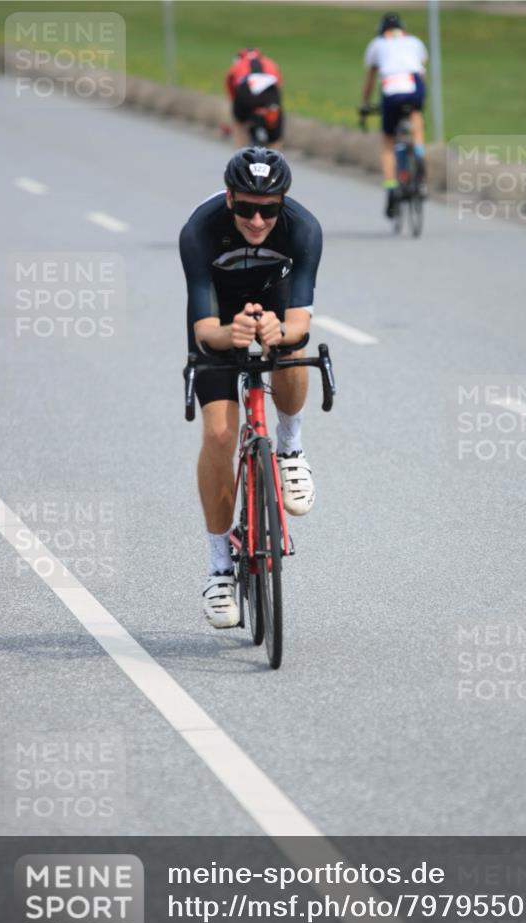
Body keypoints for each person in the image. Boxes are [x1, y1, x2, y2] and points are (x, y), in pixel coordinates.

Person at [179, 148, 322, 629]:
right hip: (220, 318)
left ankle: (290, 450)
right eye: (245, 208)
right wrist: (230, 333)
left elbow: (300, 319)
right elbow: (204, 327)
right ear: (229, 198)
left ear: (283, 202)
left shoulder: (303, 229)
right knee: (219, 434)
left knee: (294, 348)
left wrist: (279, 331)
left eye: (269, 208)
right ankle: (219, 568)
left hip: (276, 306)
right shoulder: (199, 230)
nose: (258, 219)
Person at [360, 12, 429, 217]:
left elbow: (371, 80)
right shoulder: (414, 41)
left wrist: (365, 104)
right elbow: (422, 70)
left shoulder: (377, 44)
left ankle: (391, 187)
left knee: (388, 141)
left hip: (391, 88)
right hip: (414, 84)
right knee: (416, 115)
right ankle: (418, 153)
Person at [225, 47, 284, 149]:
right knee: (275, 133)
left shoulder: (238, 65)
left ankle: (240, 154)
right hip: (270, 92)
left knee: (239, 123)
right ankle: (275, 157)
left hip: (245, 90)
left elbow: (231, 89)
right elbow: (278, 83)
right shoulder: (269, 62)